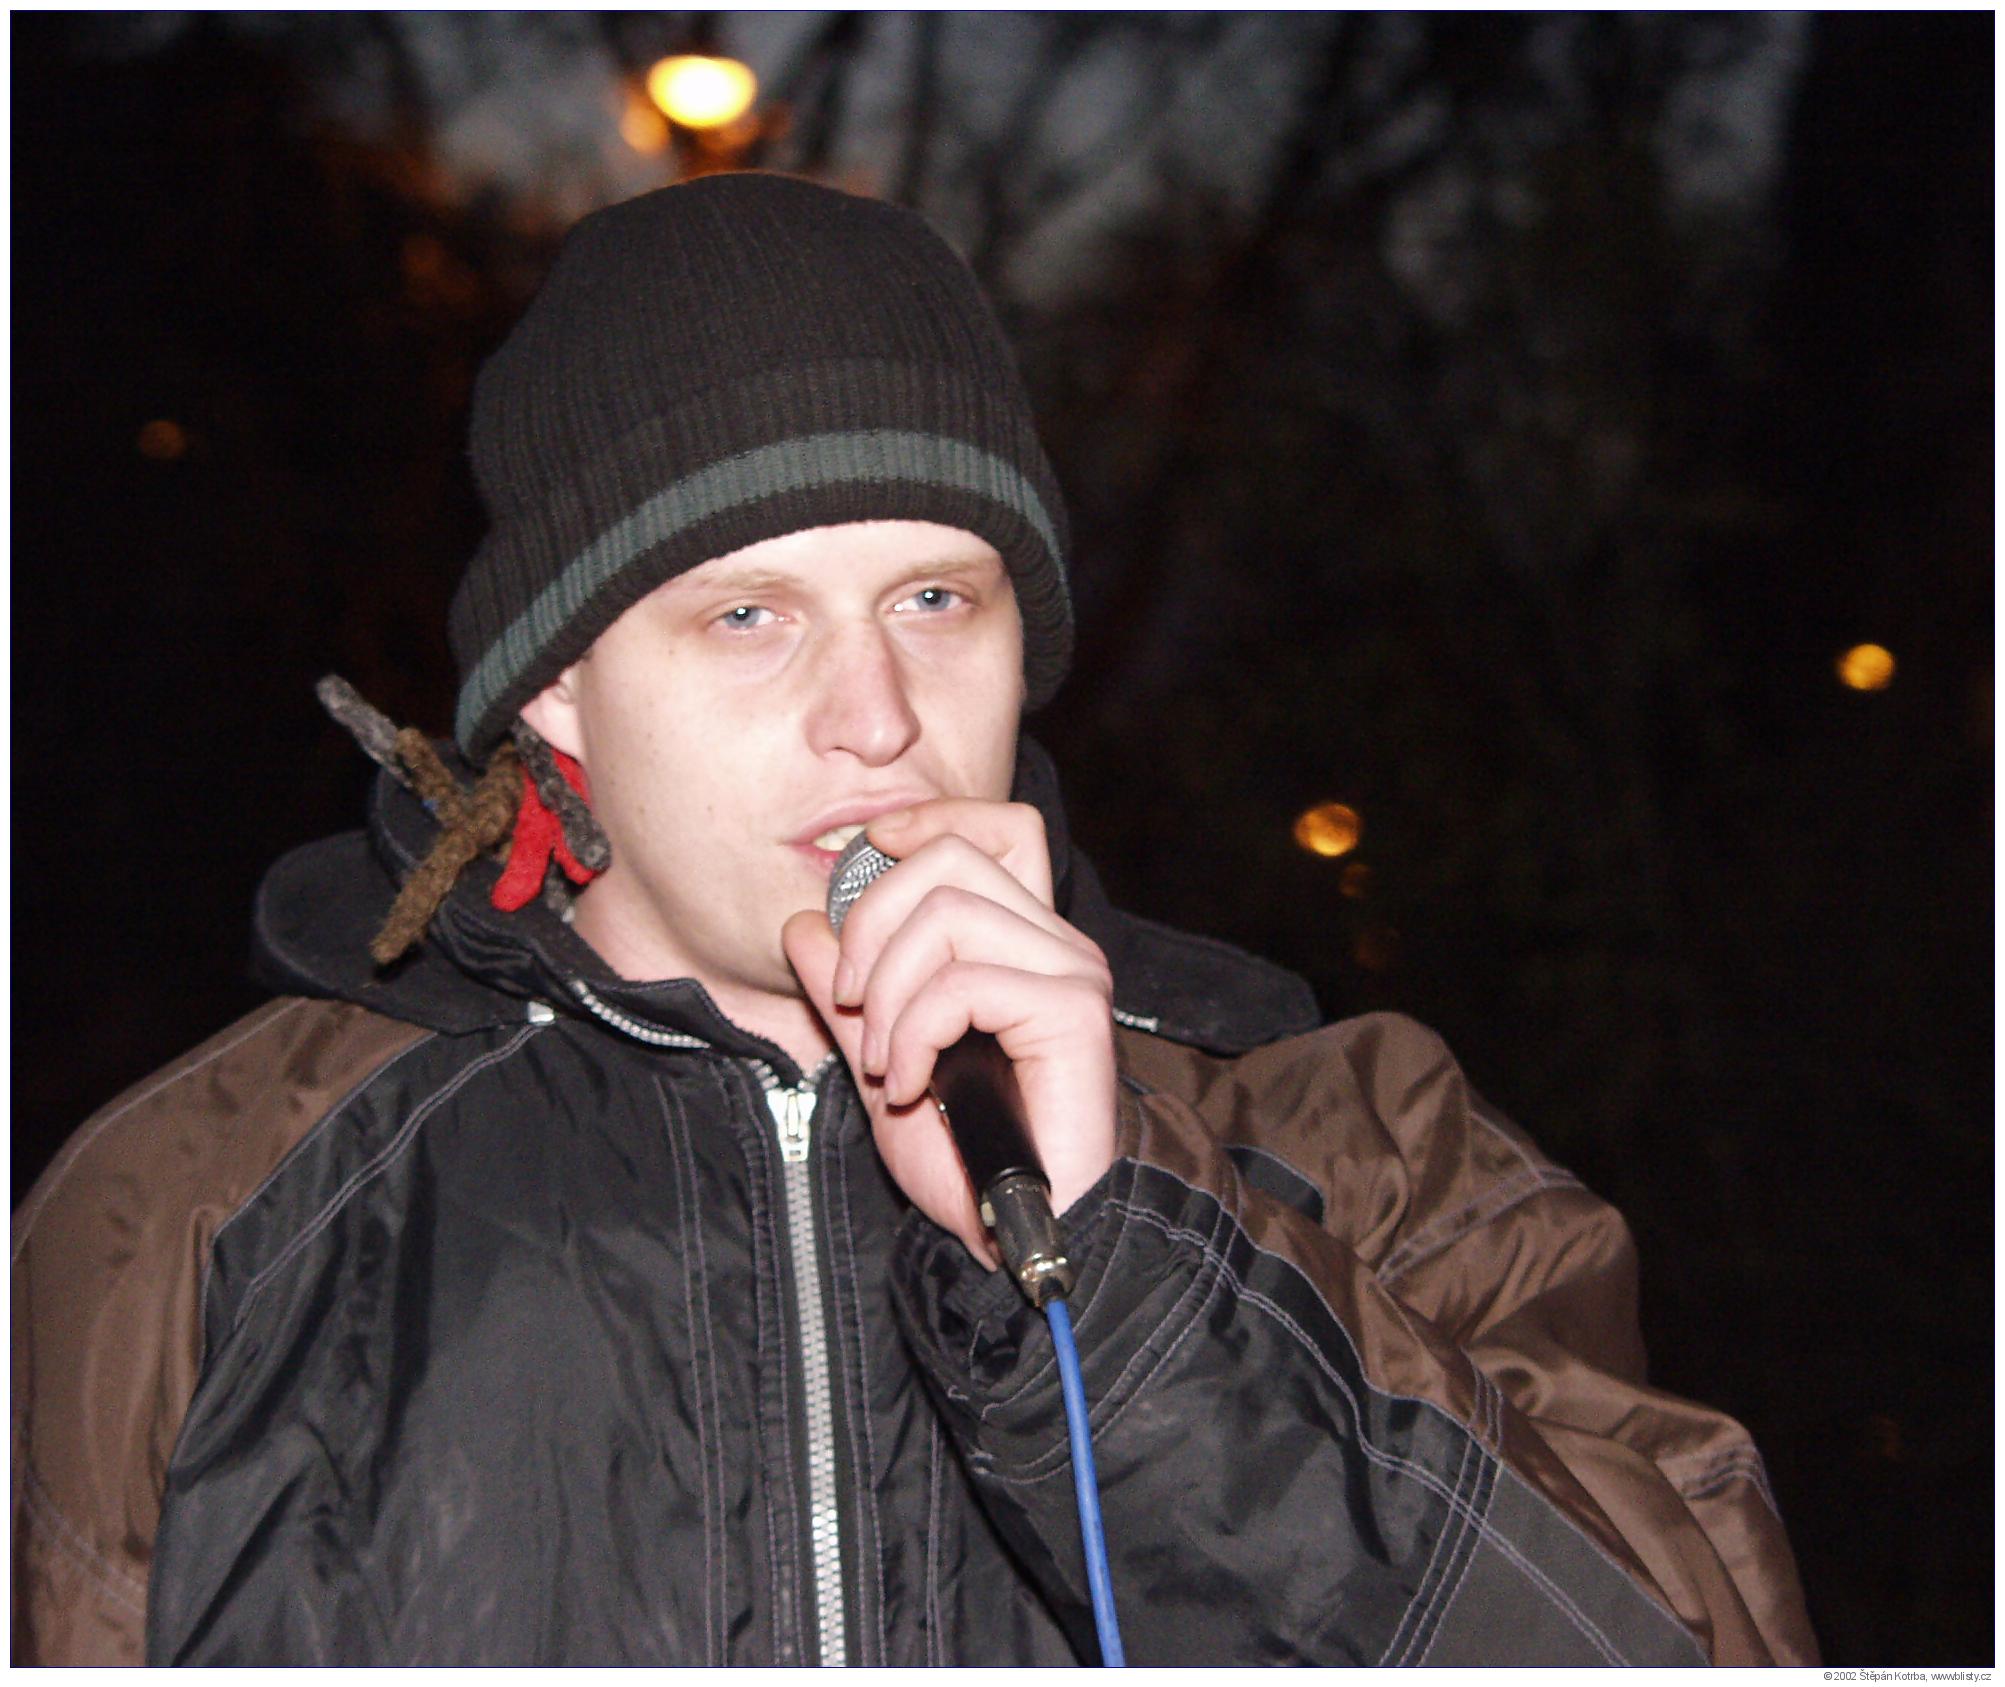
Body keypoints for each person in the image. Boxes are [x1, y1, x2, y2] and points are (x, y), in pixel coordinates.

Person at [11, 172, 1816, 1667]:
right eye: (748, 616)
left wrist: (1135, 1271)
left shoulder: (1363, 1148)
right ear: (556, 686)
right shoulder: (200, 1207)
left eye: (937, 599)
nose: (875, 717)